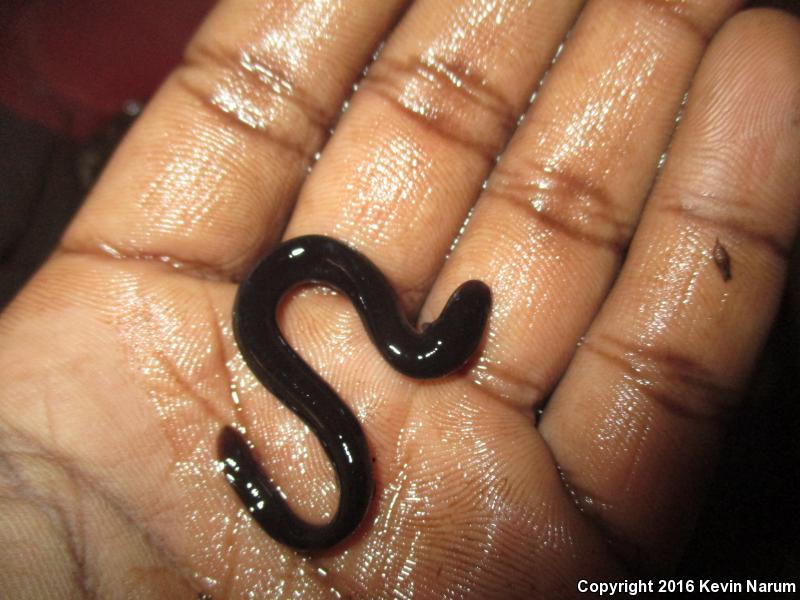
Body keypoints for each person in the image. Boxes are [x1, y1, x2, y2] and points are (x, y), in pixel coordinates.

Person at [0, 1, 798, 597]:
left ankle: (264, 486)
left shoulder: (384, 330)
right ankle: (259, 484)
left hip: (331, 302)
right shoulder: (395, 339)